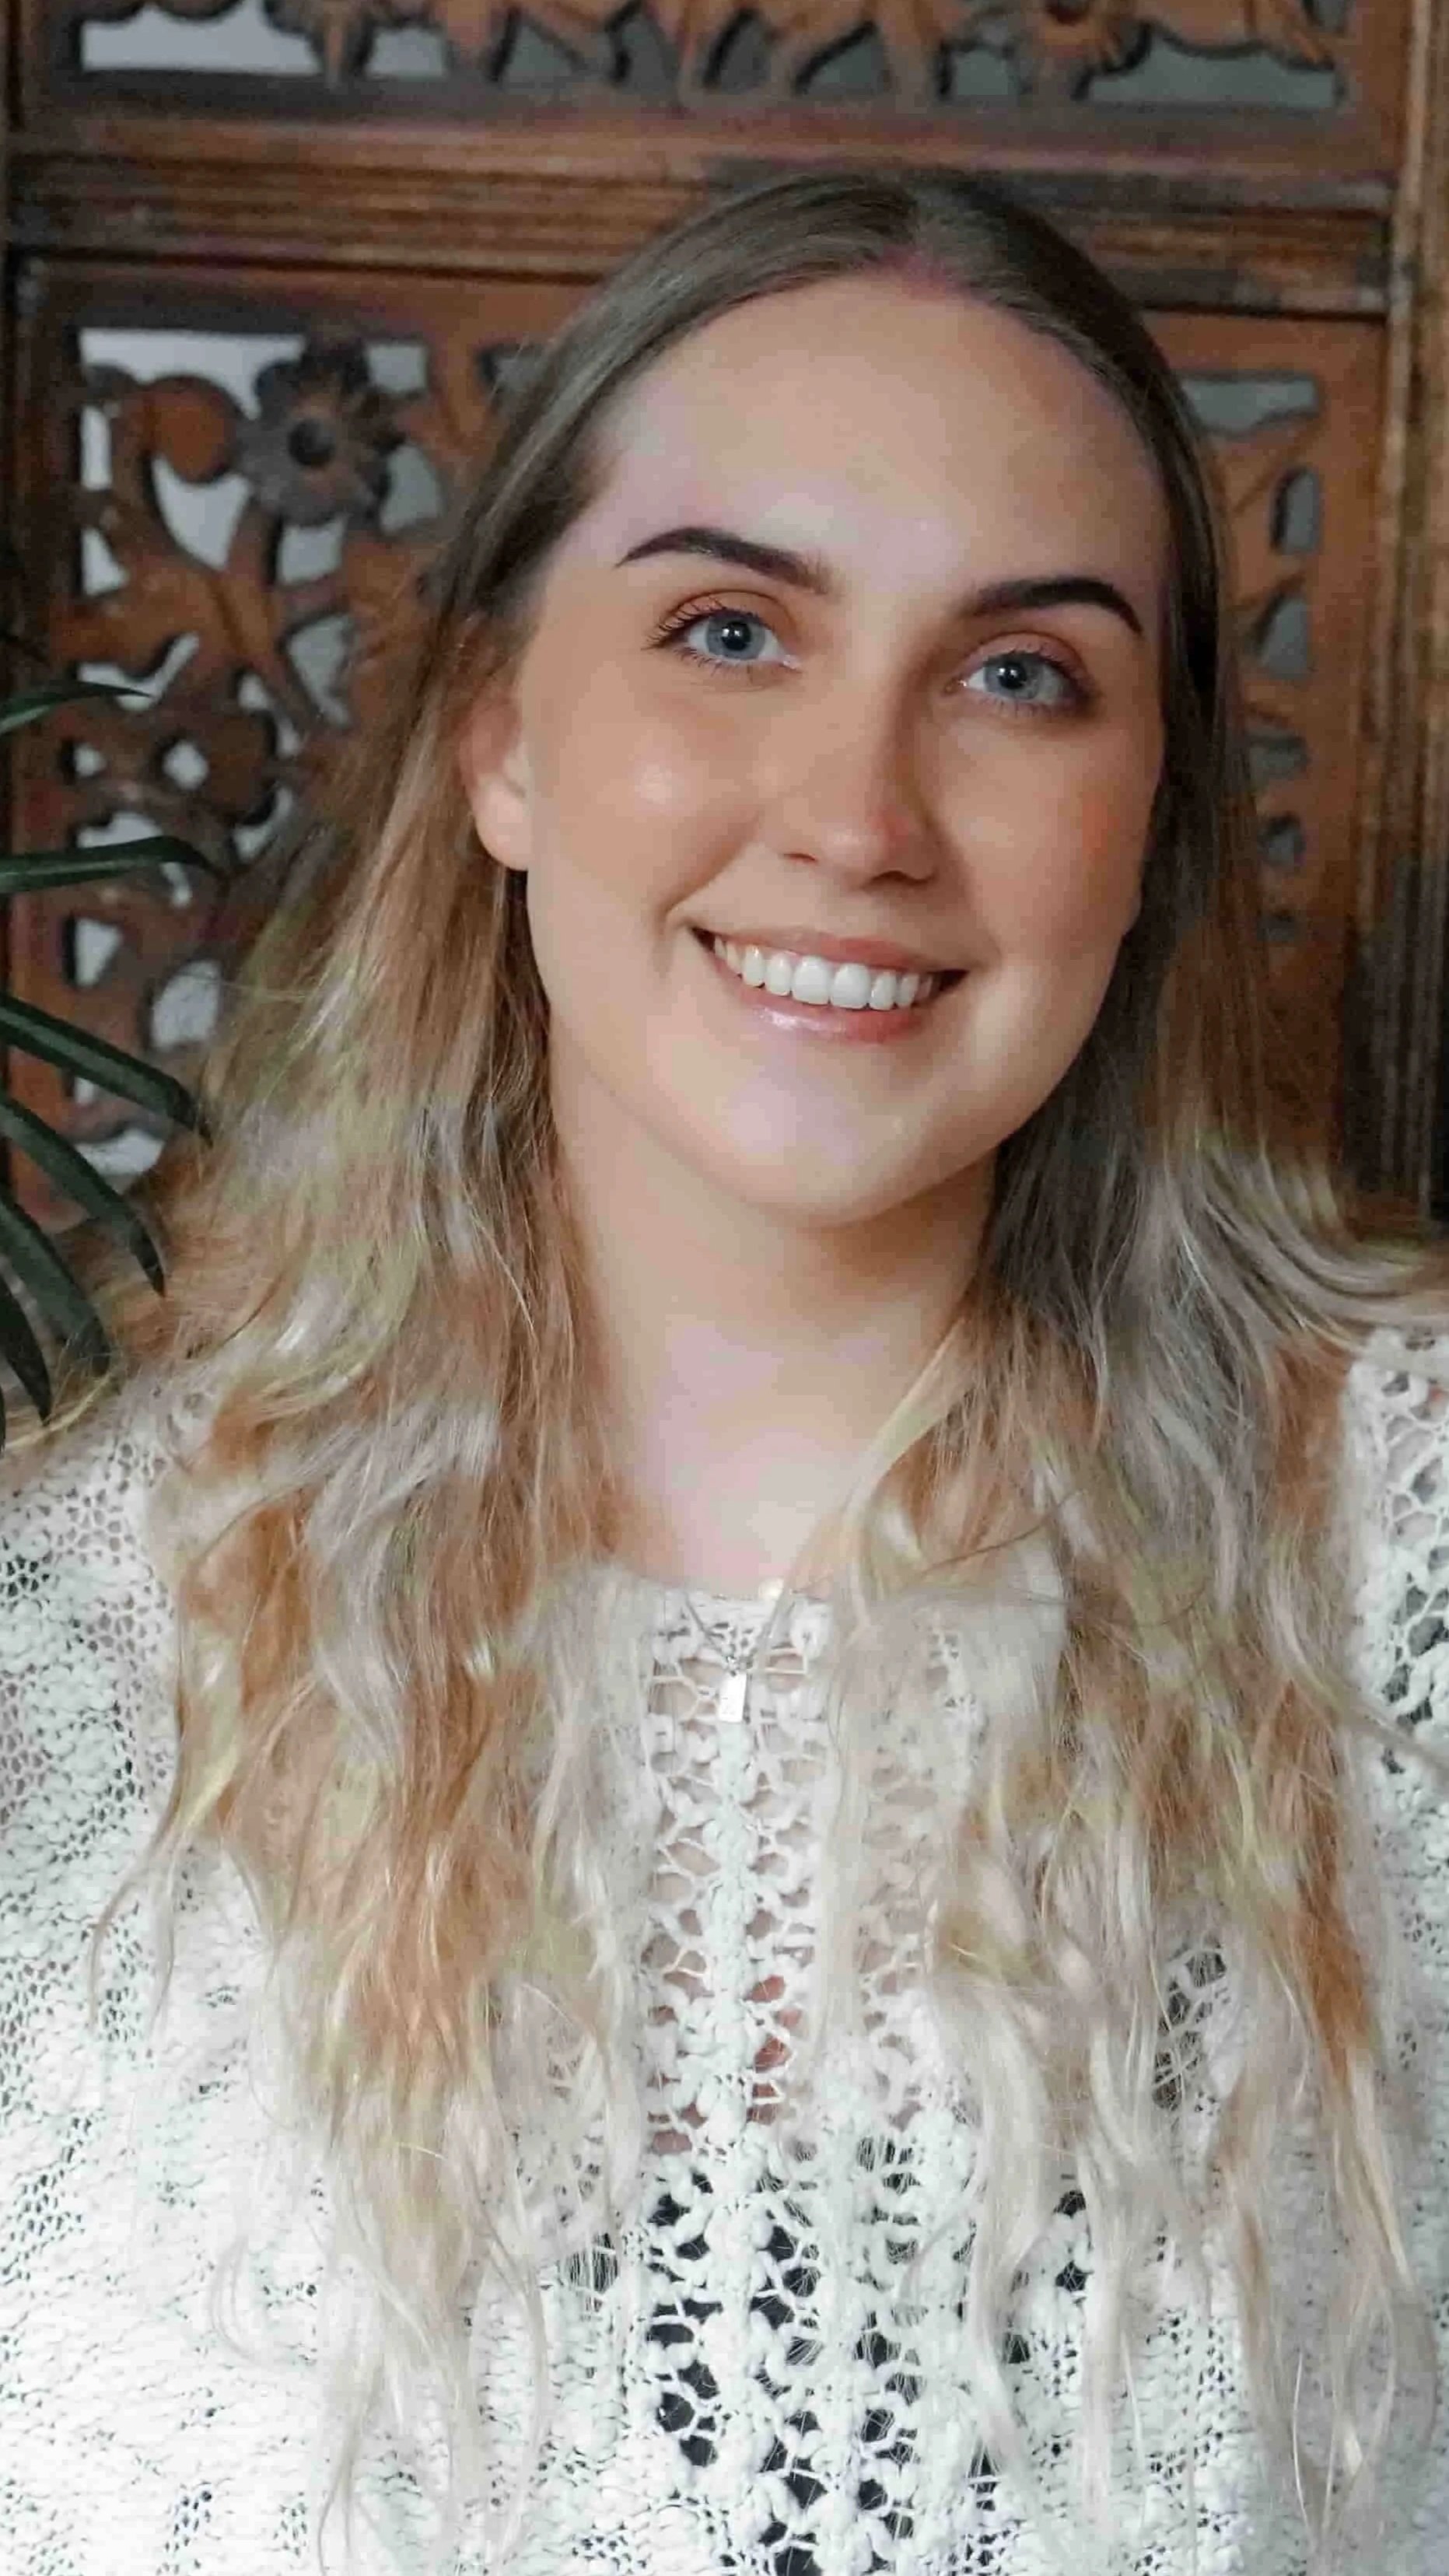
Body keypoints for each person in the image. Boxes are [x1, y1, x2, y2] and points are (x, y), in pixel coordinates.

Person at [4, 165, 1449, 2576]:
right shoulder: (68, 1651)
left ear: (1147, 828)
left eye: (1021, 676)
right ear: (497, 739)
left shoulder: (1400, 1556)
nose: (861, 821)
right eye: (729, 633)